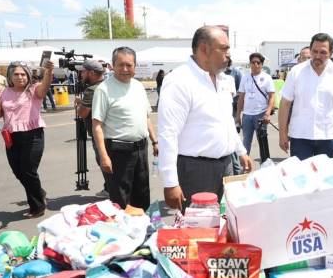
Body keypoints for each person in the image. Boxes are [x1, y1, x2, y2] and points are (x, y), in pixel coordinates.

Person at [157, 26, 251, 209]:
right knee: (199, 231)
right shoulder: (180, 81)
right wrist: (170, 183)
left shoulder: (224, 80)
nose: (228, 54)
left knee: (226, 224)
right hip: (196, 171)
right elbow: (168, 134)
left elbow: (226, 121)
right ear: (204, 49)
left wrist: (240, 151)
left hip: (227, 165)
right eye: (223, 48)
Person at [92, 48, 157, 211]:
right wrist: (103, 156)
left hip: (141, 149)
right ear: (112, 65)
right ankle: (122, 233)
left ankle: (142, 232)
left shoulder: (138, 86)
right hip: (118, 151)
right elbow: (97, 125)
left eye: (129, 65)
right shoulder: (103, 89)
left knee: (142, 195)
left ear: (135, 66)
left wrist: (155, 141)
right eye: (121, 65)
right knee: (120, 200)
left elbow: (146, 117)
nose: (125, 69)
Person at [279, 33, 333, 160]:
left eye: (323, 52)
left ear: (331, 52)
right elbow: (285, 104)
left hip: (329, 137)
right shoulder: (296, 72)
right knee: (300, 177)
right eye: (314, 51)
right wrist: (282, 134)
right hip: (300, 136)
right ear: (310, 49)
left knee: (327, 178)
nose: (318, 56)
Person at [0, 60, 53, 218]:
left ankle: (37, 207)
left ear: (28, 76)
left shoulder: (33, 90)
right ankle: (39, 192)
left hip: (33, 134)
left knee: (28, 171)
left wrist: (48, 72)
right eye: (16, 74)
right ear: (10, 76)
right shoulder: (3, 92)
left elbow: (45, 87)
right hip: (11, 136)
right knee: (18, 171)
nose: (20, 77)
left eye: (23, 74)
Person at [75, 60, 111, 195]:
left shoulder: (92, 90)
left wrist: (79, 104)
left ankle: (111, 191)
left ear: (91, 73)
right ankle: (110, 188)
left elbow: (83, 112)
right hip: (111, 132)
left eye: (83, 72)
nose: (81, 75)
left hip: (100, 135)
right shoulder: (108, 85)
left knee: (104, 163)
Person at [236, 52, 275, 163]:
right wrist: (238, 116)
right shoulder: (245, 78)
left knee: (262, 141)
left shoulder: (267, 78)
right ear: (250, 64)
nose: (256, 65)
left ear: (262, 64)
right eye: (253, 62)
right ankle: (244, 166)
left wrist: (267, 113)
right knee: (246, 142)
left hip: (261, 115)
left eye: (258, 62)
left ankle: (265, 165)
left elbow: (272, 97)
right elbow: (241, 98)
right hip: (247, 115)